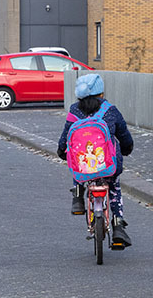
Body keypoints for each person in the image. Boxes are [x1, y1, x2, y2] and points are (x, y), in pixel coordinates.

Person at [57, 73, 134, 247]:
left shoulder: (74, 111)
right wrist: (127, 148)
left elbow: (66, 136)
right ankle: (118, 226)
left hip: (85, 167)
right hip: (108, 165)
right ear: (101, 93)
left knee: (78, 160)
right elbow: (124, 135)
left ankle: (78, 197)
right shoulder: (110, 110)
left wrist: (62, 150)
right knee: (114, 187)